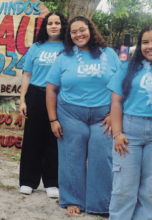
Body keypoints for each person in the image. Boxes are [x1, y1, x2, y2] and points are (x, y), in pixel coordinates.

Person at [46, 16, 121, 215]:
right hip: (70, 114)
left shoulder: (110, 54)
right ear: (69, 35)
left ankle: (101, 204)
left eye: (82, 29)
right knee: (72, 156)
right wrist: (53, 120)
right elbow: (51, 89)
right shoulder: (64, 57)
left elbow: (121, 86)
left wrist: (114, 115)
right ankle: (74, 200)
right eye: (74, 32)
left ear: (91, 30)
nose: (79, 34)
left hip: (102, 116)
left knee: (102, 157)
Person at [18, 12, 67, 198]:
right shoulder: (36, 47)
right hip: (36, 95)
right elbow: (27, 74)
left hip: (59, 96)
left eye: (57, 23)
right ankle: (28, 181)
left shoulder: (68, 47)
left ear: (63, 26)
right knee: (32, 138)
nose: (53, 26)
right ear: (45, 26)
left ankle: (52, 182)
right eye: (49, 23)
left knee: (54, 137)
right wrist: (22, 99)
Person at [108, 26, 152, 219]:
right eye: (145, 42)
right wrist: (117, 134)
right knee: (124, 188)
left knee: (150, 191)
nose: (150, 46)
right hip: (129, 132)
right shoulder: (127, 67)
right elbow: (116, 101)